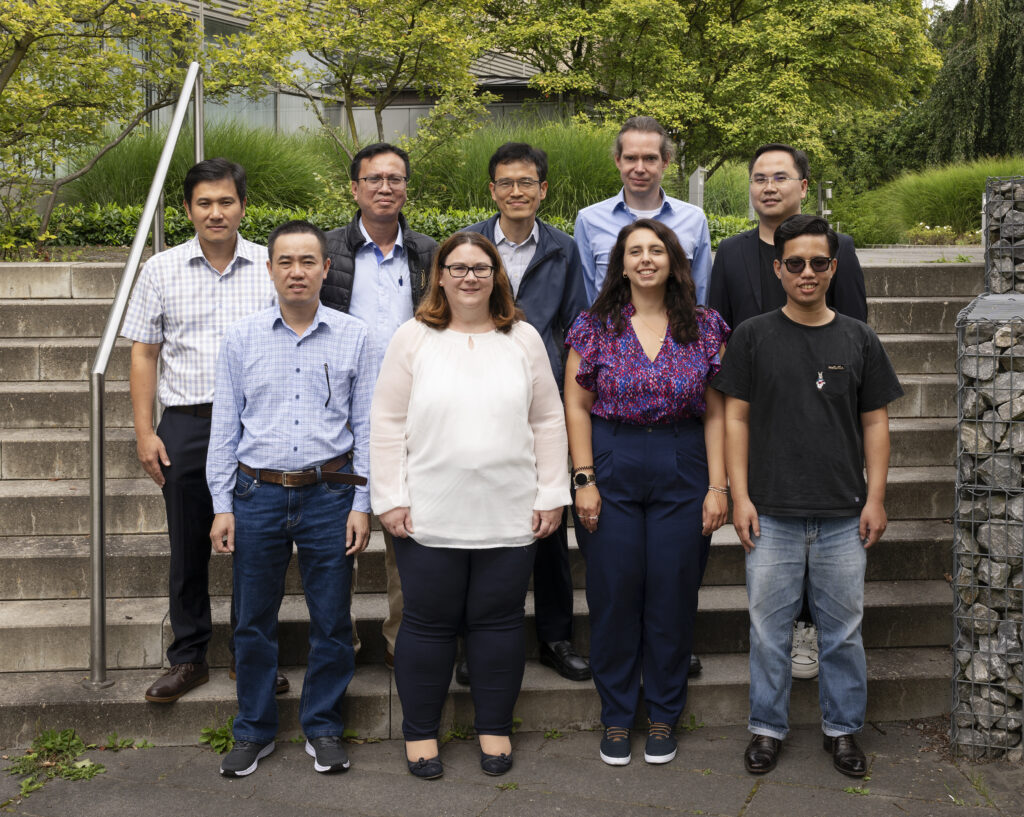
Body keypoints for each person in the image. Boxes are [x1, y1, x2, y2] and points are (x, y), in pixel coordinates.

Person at [370, 232, 569, 780]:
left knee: (499, 625)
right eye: (457, 268)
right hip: (429, 512)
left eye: (481, 268)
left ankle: (494, 728)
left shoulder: (523, 338)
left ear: (497, 275)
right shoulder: (412, 338)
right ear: (439, 275)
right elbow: (386, 423)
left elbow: (548, 420)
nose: (469, 277)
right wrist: (389, 497)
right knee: (428, 626)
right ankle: (419, 734)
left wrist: (552, 492)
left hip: (510, 512)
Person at [712, 214, 902, 778]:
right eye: (795, 263)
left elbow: (875, 424)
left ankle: (843, 731)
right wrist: (739, 497)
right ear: (778, 269)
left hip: (844, 513)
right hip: (771, 511)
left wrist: (877, 498)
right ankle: (766, 729)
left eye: (819, 262)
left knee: (842, 633)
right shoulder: (751, 336)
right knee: (769, 633)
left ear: (833, 267)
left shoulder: (859, 337)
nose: (807, 272)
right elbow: (735, 421)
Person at [207, 221, 373, 777]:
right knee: (253, 619)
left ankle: (322, 726)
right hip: (256, 492)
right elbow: (224, 426)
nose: (296, 271)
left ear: (327, 268)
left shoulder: (356, 335)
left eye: (308, 261)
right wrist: (221, 503)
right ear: (271, 268)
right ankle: (253, 729)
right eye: (285, 261)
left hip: (329, 493)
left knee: (332, 618)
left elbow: (367, 425)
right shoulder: (241, 336)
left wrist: (361, 503)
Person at [563, 219, 729, 767]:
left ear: (674, 259)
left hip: (683, 461)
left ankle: (662, 713)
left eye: (656, 249)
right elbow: (576, 405)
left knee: (673, 594)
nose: (646, 259)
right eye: (635, 251)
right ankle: (616, 714)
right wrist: (584, 478)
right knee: (613, 593)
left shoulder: (705, 326)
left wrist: (718, 485)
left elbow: (718, 411)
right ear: (621, 262)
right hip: (612, 459)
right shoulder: (595, 326)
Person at [121, 158, 287, 703]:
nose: (216, 212)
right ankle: (189, 657)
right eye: (204, 203)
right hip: (188, 424)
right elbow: (144, 353)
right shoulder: (160, 270)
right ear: (188, 209)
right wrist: (145, 431)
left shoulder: (271, 264)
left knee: (258, 546)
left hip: (256, 426)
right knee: (187, 545)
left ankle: (250, 655)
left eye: (226, 201)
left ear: (243, 205)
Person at [709, 143, 869, 681]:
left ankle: (809, 627)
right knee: (771, 528)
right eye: (758, 178)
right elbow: (718, 331)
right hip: (754, 407)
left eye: (780, 177)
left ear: (803, 185)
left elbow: (855, 330)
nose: (768, 186)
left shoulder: (834, 248)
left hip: (821, 411)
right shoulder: (730, 253)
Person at [462, 141, 590, 682]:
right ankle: (480, 641)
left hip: (544, 405)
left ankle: (555, 637)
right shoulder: (467, 246)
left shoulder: (563, 250)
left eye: (527, 183)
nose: (517, 192)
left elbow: (578, 327)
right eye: (506, 183)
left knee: (548, 521)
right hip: (474, 404)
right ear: (492, 190)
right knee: (482, 524)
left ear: (542, 190)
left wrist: (566, 398)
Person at [321, 142, 438, 669]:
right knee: (334, 535)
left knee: (404, 531)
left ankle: (400, 640)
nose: (384, 187)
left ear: (406, 187)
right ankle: (338, 640)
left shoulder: (428, 252)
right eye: (373, 179)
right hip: (339, 414)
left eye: (395, 179)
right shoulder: (326, 252)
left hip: (412, 415)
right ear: (355, 188)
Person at [574, 116, 712, 307]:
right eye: (631, 158)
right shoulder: (589, 221)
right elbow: (586, 298)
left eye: (650, 158)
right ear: (618, 161)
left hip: (678, 334)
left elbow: (701, 296)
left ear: (665, 161)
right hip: (609, 334)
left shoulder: (694, 220)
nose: (639, 168)